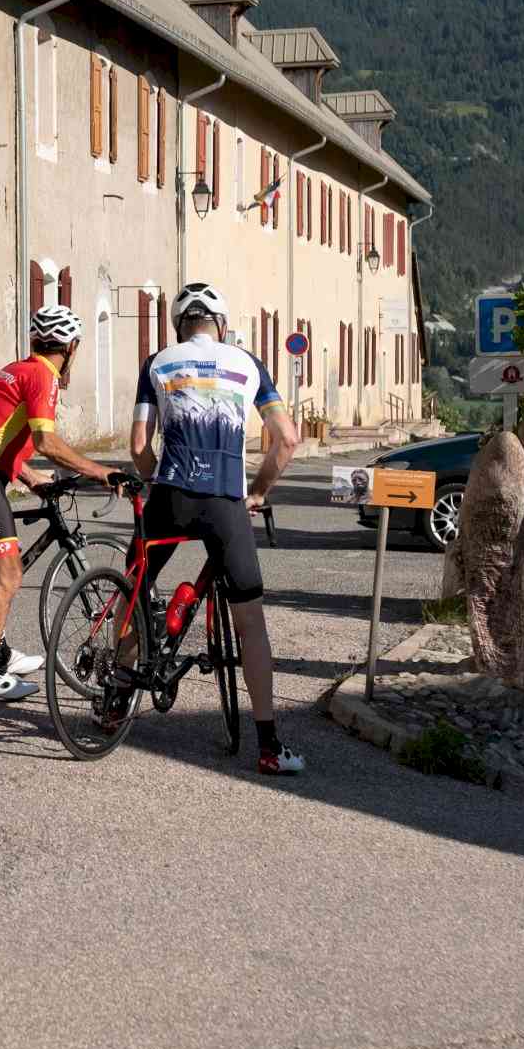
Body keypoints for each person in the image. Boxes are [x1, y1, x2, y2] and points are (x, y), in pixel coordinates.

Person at [128, 282, 306, 774]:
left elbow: (139, 445)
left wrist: (153, 481)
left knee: (134, 590)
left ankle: (115, 702)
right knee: (251, 624)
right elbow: (287, 440)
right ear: (222, 325)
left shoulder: (158, 362)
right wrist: (259, 491)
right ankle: (269, 747)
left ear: (178, 325)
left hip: (171, 496)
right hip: (225, 502)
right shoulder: (248, 363)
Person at [0, 305, 136, 701]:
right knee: (8, 575)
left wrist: (30, 476)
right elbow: (46, 442)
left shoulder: (16, 369)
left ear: (35, 341)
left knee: (0, 571)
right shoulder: (42, 376)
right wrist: (101, 472)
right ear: (71, 347)